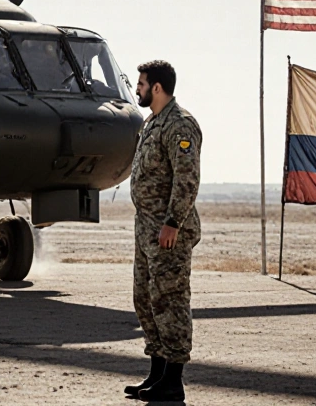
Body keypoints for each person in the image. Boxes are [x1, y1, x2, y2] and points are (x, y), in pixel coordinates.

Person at [124, 60, 202, 404]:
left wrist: (173, 222)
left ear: (157, 87)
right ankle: (157, 372)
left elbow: (187, 179)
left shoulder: (179, 125)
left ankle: (174, 380)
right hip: (147, 230)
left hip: (169, 231)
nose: (137, 89)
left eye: (141, 84)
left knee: (170, 300)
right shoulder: (151, 122)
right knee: (146, 298)